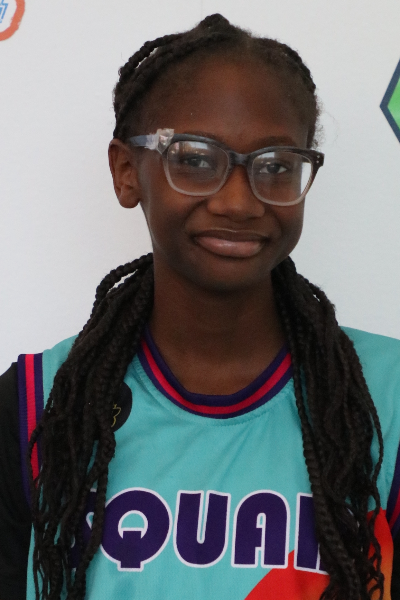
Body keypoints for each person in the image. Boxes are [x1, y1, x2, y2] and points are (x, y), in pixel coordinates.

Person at [1, 12, 400, 600]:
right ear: (126, 171)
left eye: (276, 165)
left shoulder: (386, 399)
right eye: (194, 158)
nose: (238, 202)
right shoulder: (38, 408)